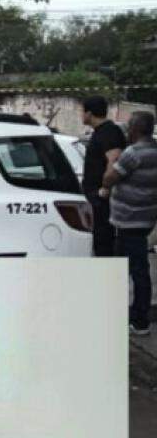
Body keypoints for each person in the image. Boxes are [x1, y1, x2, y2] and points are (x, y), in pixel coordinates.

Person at [103, 110, 157, 335]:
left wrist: (112, 161)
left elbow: (109, 178)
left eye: (129, 126)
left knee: (137, 269)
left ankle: (140, 321)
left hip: (129, 220)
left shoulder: (133, 153)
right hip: (145, 219)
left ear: (135, 129)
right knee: (126, 265)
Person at [81, 96, 127, 256]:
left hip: (103, 200)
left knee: (104, 242)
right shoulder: (101, 132)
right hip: (97, 199)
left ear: (89, 113)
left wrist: (105, 188)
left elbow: (114, 160)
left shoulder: (109, 131)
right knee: (100, 241)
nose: (82, 115)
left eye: (83, 111)